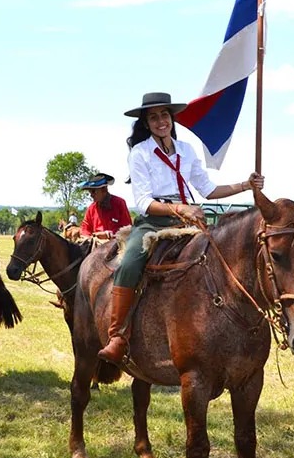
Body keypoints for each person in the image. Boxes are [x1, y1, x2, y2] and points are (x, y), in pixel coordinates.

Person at [97, 92, 265, 365]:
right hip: (155, 222)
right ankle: (117, 335)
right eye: (154, 117)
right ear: (147, 123)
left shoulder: (186, 150)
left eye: (164, 115)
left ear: (171, 118)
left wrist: (245, 185)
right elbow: (143, 202)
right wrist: (180, 209)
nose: (161, 121)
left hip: (190, 222)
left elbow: (208, 190)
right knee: (129, 263)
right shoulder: (140, 153)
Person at [78, 172, 132, 240]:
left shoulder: (119, 203)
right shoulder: (91, 208)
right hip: (96, 245)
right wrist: (87, 236)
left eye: (93, 191)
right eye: (90, 192)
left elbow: (128, 228)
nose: (91, 195)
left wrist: (109, 234)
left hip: (117, 244)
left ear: (104, 189)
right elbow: (85, 227)